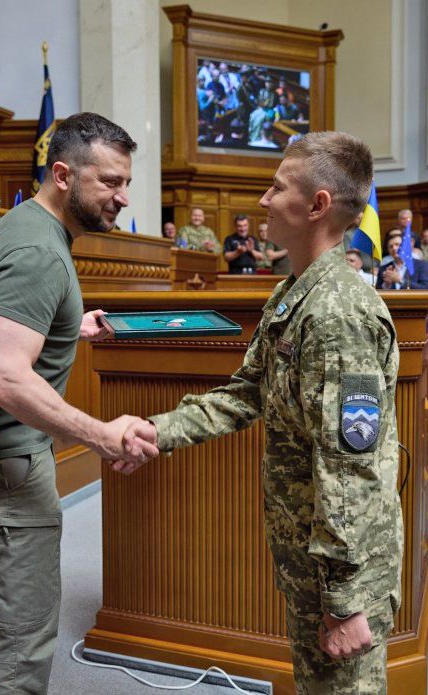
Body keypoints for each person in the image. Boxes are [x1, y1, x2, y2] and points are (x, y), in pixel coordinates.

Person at [115, 131, 403, 694]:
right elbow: (249, 392)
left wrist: (345, 602)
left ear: (318, 205)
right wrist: (158, 430)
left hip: (340, 569)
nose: (263, 201)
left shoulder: (336, 315)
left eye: (277, 188)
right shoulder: (293, 294)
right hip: (308, 553)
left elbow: (351, 471)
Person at [0, 112, 158, 694]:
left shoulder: (23, 226)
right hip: (2, 462)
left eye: (124, 182)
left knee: (0, 603)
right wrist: (101, 435)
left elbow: (9, 328)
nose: (122, 196)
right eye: (109, 182)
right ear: (62, 174)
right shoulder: (41, 253)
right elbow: (4, 379)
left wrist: (65, 327)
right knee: (22, 631)